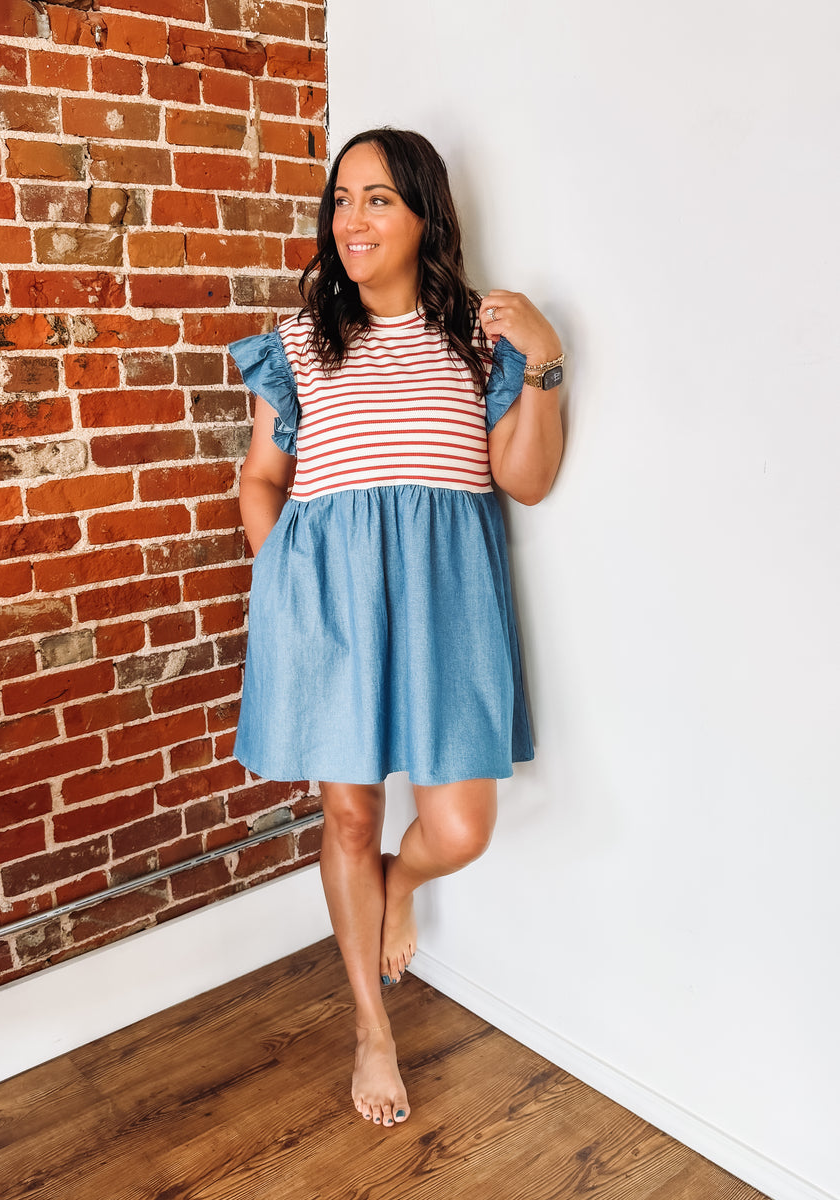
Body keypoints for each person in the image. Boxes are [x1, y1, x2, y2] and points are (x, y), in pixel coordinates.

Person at [230, 128, 563, 1129]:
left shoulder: (482, 336)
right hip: (329, 613)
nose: (353, 219)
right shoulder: (299, 343)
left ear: (425, 213)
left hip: (447, 608)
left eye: (378, 198)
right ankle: (372, 1029)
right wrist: (287, 585)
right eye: (342, 199)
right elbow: (260, 480)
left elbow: (527, 480)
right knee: (349, 818)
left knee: (458, 829)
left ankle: (396, 889)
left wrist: (546, 361)